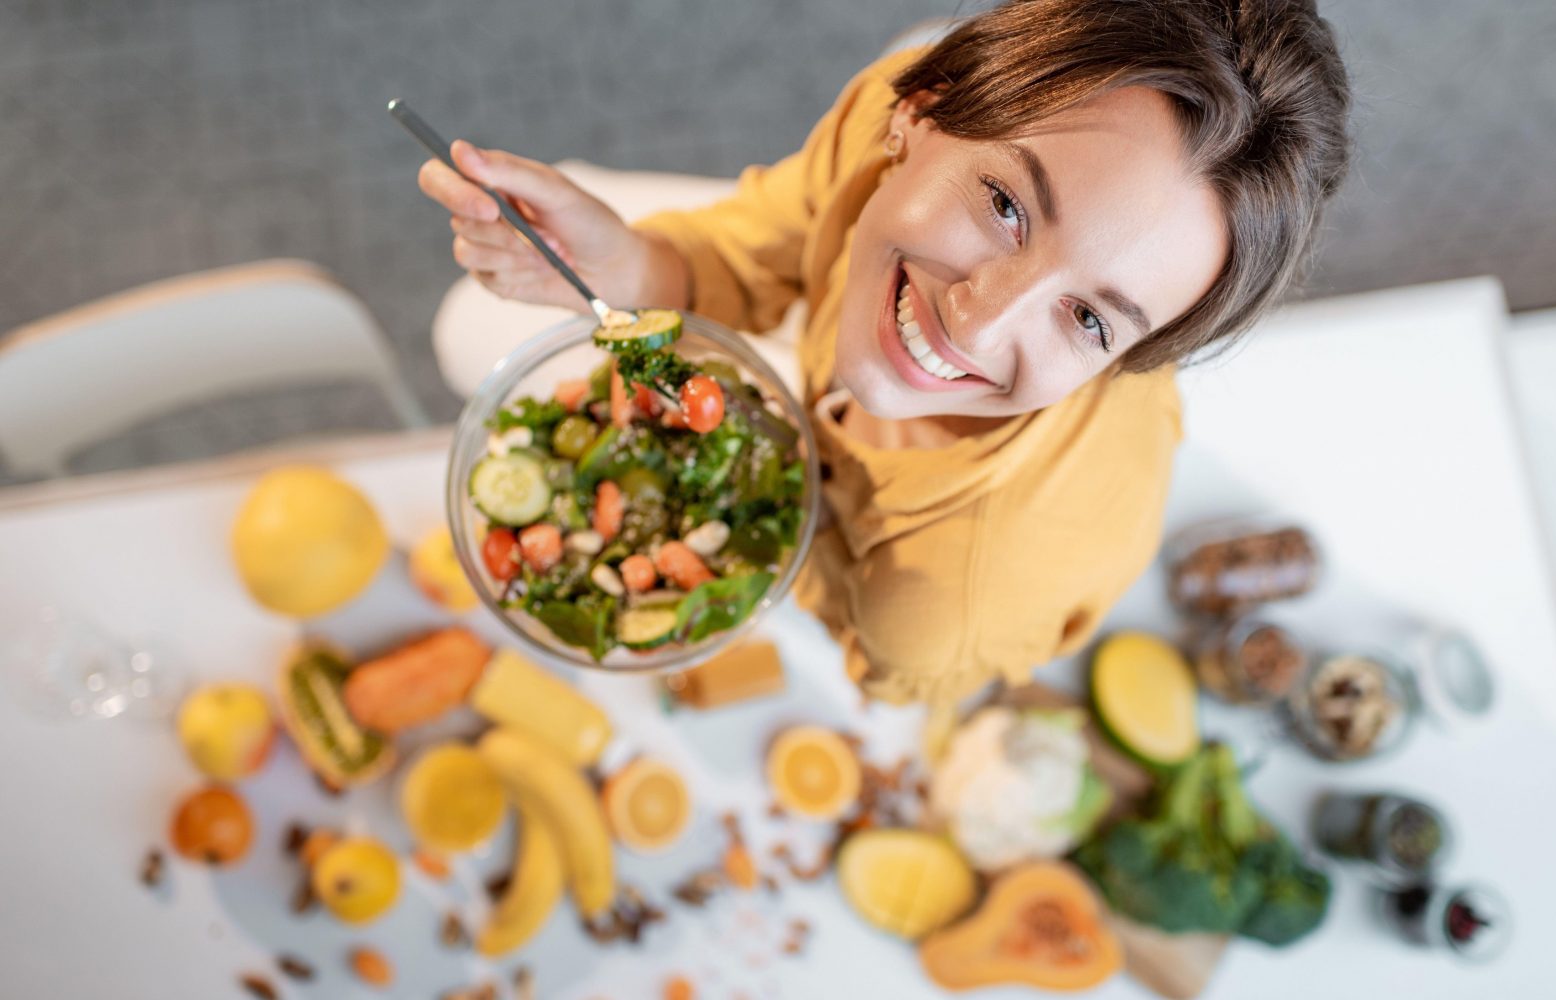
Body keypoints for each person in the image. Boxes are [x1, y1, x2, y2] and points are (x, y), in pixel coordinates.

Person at [418, 0, 1351, 705]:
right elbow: (774, 235)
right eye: (1007, 205)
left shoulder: (937, 611)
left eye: (1094, 321)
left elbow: (876, 664)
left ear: (1136, 359)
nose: (978, 326)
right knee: (469, 322)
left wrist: (781, 527)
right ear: (921, 104)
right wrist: (633, 260)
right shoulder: (882, 110)